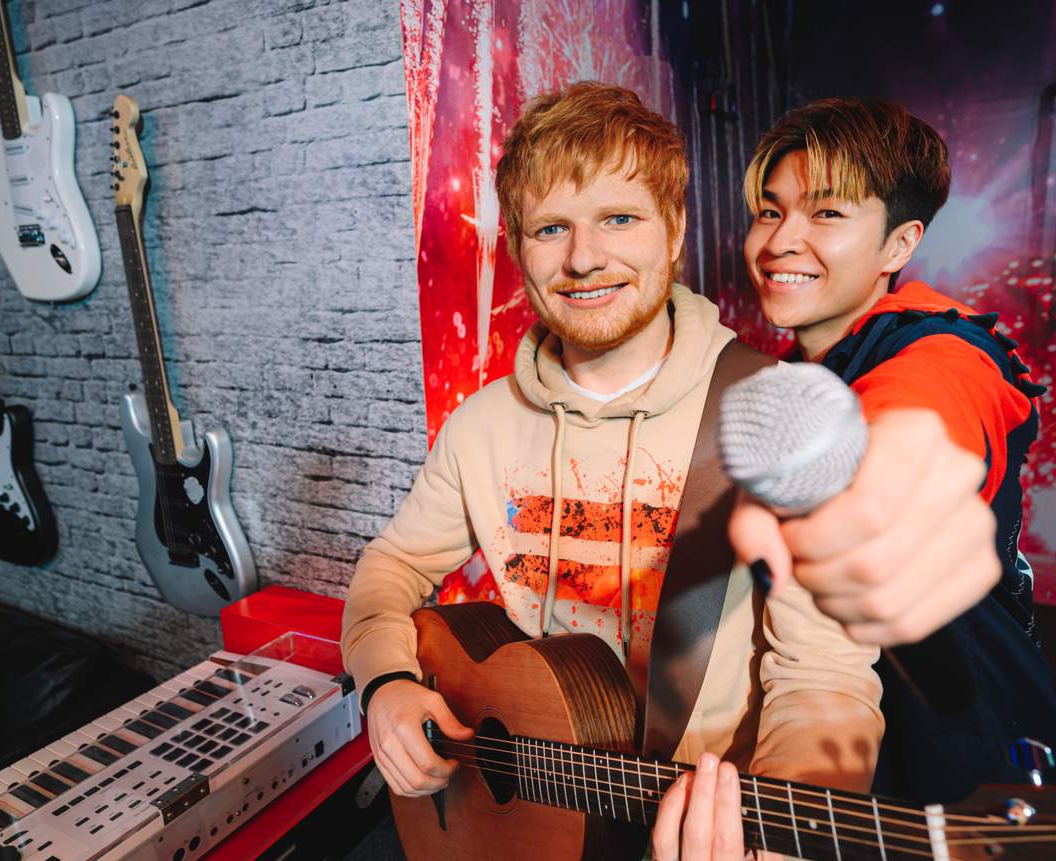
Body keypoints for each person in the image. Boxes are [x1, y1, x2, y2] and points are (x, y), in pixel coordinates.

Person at [341, 84, 998, 859]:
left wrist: (776, 834)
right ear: (519, 247)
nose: (584, 258)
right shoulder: (480, 424)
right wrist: (384, 685)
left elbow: (824, 683)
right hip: (522, 817)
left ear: (675, 228)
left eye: (618, 218)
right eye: (551, 228)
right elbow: (391, 566)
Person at [664, 97, 1056, 860]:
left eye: (825, 213)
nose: (779, 240)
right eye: (769, 209)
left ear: (899, 241)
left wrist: (879, 483)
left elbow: (919, 419)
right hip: (825, 739)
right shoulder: (780, 372)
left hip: (958, 757)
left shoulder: (947, 350)